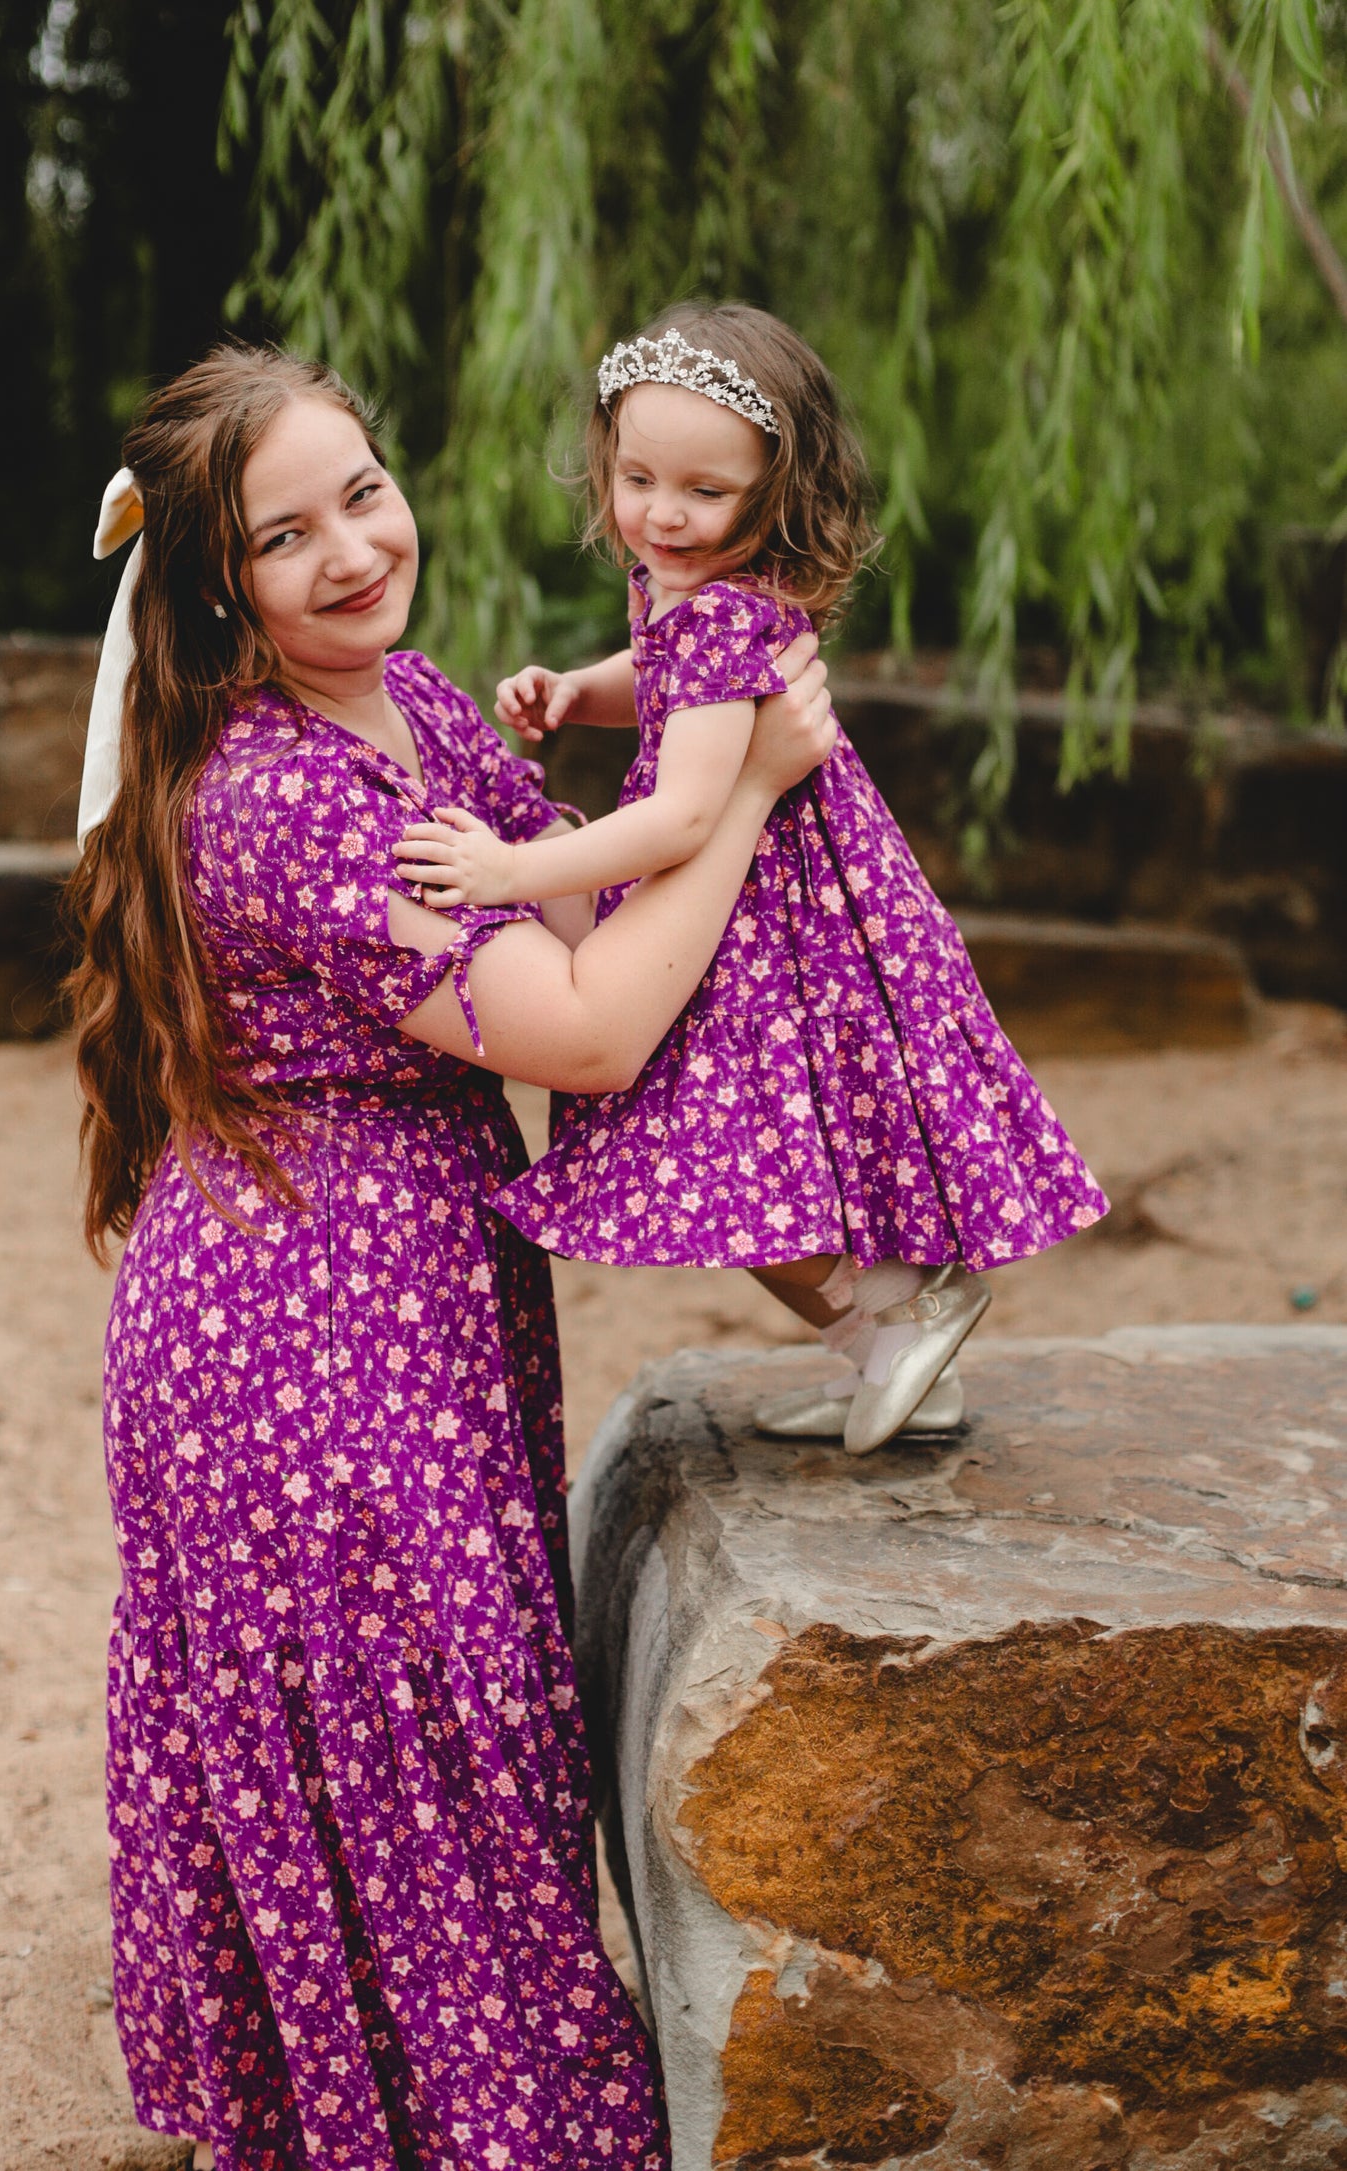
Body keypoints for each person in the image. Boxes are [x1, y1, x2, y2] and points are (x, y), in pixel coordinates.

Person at [66, 343, 834, 2171]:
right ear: (214, 591)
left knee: (450, 1730)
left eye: (366, 490)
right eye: (284, 535)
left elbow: (574, 885)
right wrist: (740, 792)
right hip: (300, 1339)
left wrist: (694, 777)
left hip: (397, 1296)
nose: (351, 548)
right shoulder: (278, 801)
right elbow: (579, 1031)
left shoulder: (406, 701)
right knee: (427, 1735)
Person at [396, 303, 1108, 1454]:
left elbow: (680, 814)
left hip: (765, 915)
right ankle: (893, 1357)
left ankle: (905, 1311)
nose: (662, 515)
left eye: (704, 493)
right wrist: (582, 689)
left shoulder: (727, 612)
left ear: (771, 495)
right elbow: (668, 676)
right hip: (768, 901)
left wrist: (509, 869)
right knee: (747, 1151)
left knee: (709, 1148)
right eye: (637, 477)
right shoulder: (687, 593)